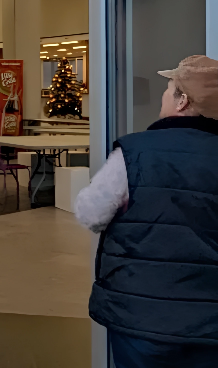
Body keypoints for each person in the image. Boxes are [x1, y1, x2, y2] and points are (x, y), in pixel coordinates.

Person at [75, 55, 218, 367]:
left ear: (182, 101)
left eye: (168, 89)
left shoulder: (135, 152)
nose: (163, 96)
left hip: (139, 318)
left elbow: (90, 213)